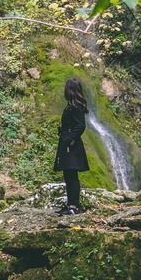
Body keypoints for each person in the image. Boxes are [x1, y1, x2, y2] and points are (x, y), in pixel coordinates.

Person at [53, 77, 89, 215]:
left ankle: (73, 207)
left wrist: (69, 139)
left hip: (71, 145)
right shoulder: (71, 105)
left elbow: (81, 126)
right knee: (68, 175)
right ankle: (70, 205)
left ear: (71, 90)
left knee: (72, 175)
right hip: (68, 143)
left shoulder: (77, 106)